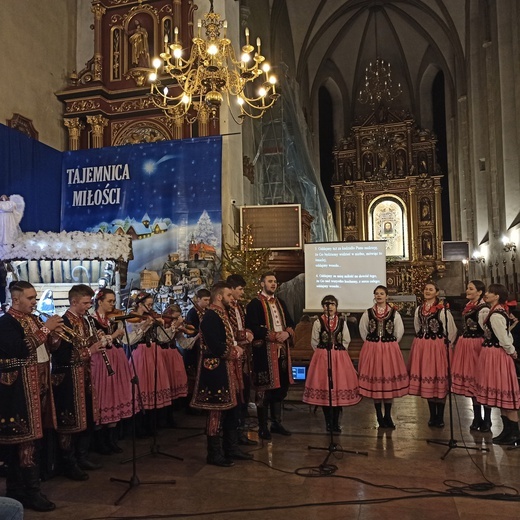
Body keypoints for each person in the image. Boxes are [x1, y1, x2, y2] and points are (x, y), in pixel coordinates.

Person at [0, 281, 62, 512]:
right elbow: (20, 348)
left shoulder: (33, 319)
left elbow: (48, 349)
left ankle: (25, 490)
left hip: (37, 389)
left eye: (35, 297)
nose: (35, 301)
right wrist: (46, 329)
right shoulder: (6, 323)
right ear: (16, 299)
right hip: (18, 393)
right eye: (30, 298)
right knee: (23, 442)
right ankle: (27, 492)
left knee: (34, 440)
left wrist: (54, 335)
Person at [191, 282, 252, 466]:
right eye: (228, 295)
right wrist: (234, 352)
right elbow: (215, 345)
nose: (231, 298)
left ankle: (230, 448)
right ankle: (214, 453)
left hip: (227, 370)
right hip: (216, 371)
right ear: (219, 296)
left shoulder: (222, 314)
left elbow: (228, 338)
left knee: (232, 410)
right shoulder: (210, 316)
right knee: (216, 412)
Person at [51, 284, 107, 481]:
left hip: (84, 374)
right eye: (85, 303)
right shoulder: (61, 322)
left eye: (89, 303)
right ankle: (68, 462)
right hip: (67, 378)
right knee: (70, 420)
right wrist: (89, 351)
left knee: (88, 417)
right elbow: (61, 356)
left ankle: (82, 456)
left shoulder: (85, 321)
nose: (88, 306)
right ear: (73, 302)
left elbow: (87, 343)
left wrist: (97, 338)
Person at [246, 271, 295, 440]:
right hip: (263, 353)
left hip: (281, 352)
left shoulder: (280, 302)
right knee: (264, 389)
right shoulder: (254, 304)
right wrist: (275, 336)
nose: (273, 284)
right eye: (270, 281)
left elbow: (290, 322)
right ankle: (262, 426)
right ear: (262, 284)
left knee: (280, 388)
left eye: (275, 281)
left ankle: (276, 423)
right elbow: (253, 326)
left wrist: (287, 334)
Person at [303, 295, 361, 432]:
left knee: (338, 387)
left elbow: (346, 339)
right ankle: (328, 422)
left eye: (333, 304)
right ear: (323, 307)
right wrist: (322, 352)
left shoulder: (341, 322)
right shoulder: (318, 322)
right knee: (325, 387)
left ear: (336, 307)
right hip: (323, 357)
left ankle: (336, 422)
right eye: (326, 304)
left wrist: (339, 352)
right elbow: (314, 341)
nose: (330, 307)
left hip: (339, 358)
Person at [473, 284, 520, 445]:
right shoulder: (493, 312)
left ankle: (514, 433)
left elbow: (504, 338)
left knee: (505, 392)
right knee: (500, 393)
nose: (486, 295)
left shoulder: (496, 315)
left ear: (497, 296)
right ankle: (507, 432)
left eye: (489, 293)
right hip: (492, 354)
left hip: (498, 355)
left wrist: (512, 351)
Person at [121, 292, 172, 435]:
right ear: (138, 303)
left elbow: (162, 338)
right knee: (141, 389)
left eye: (151, 304)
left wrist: (169, 327)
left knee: (154, 388)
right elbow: (130, 340)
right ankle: (138, 426)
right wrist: (145, 325)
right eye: (147, 304)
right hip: (140, 354)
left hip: (153, 354)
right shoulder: (131, 318)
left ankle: (152, 423)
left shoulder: (151, 317)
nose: (150, 307)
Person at [358, 285, 409, 428]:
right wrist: (373, 343)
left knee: (387, 382)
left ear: (387, 296)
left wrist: (388, 344)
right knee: (376, 382)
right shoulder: (367, 313)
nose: (379, 296)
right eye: (377, 293)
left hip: (388, 350)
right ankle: (379, 415)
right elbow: (363, 330)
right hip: (372, 349)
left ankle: (387, 415)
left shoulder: (394, 313)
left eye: (382, 293)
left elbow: (399, 332)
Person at [407, 282, 457, 427]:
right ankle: (432, 415)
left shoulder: (443, 310)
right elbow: (418, 326)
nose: (427, 291)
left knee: (438, 380)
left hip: (437, 347)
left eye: (431, 289)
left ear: (436, 293)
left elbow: (451, 331)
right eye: (426, 289)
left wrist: (446, 345)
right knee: (428, 379)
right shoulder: (419, 309)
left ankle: (440, 417)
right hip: (423, 347)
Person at [90, 289, 133, 453]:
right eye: (110, 301)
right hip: (101, 361)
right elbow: (100, 341)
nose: (113, 304)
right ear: (100, 302)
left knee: (115, 396)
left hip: (115, 358)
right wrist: (115, 334)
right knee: (104, 397)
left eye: (114, 301)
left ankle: (111, 439)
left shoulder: (112, 319)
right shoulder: (92, 320)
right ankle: (100, 442)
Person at [451, 281, 491, 432]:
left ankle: (487, 419)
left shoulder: (483, 309)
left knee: (481, 381)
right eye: (467, 287)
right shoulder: (469, 305)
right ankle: (477, 417)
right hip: (467, 346)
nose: (467, 290)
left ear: (480, 292)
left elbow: (486, 331)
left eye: (471, 288)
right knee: (472, 382)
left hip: (477, 346)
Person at [226, 274, 257, 446]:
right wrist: (243, 335)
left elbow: (242, 326)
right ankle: (232, 437)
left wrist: (247, 332)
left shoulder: (239, 307)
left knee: (244, 394)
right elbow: (230, 331)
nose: (242, 292)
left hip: (243, 355)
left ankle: (240, 432)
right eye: (240, 289)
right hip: (233, 357)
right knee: (236, 395)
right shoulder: (226, 308)